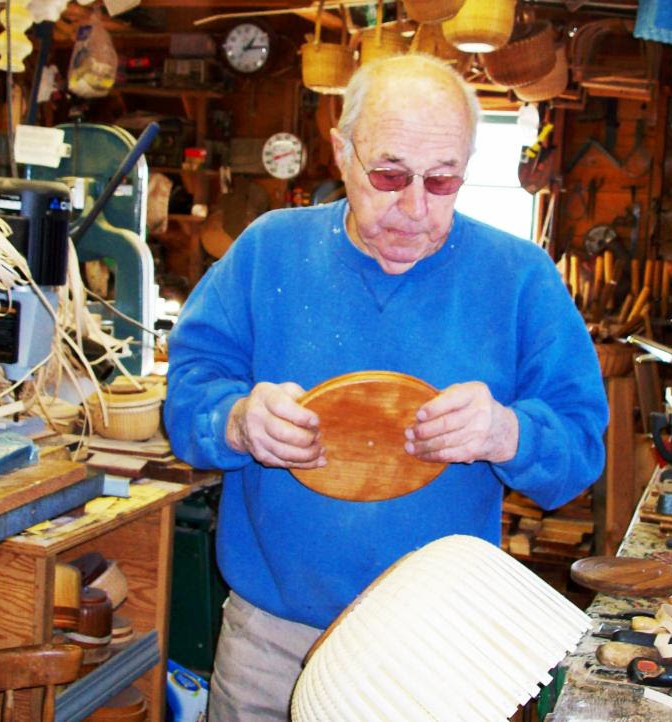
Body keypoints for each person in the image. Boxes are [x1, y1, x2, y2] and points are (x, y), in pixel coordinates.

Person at [164, 52, 609, 721]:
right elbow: (188, 397)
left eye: (442, 182)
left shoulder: (519, 278)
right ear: (341, 153)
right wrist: (234, 421)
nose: (415, 209)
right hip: (271, 644)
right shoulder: (267, 252)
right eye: (389, 175)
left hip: (433, 650)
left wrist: (506, 432)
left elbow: (578, 455)